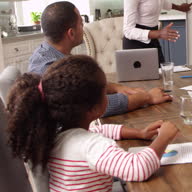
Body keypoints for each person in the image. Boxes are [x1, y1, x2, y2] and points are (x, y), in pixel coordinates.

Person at [8, 55, 179, 191]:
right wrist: (164, 138)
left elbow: (101, 129)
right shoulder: (92, 147)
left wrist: (139, 133)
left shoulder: (58, 134)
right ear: (92, 109)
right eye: (105, 93)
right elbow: (137, 168)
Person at [29, 1, 171, 117]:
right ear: (71, 33)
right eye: (81, 24)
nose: (83, 27)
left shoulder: (50, 54)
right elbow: (97, 106)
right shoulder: (51, 71)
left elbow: (85, 83)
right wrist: (148, 97)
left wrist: (117, 88)